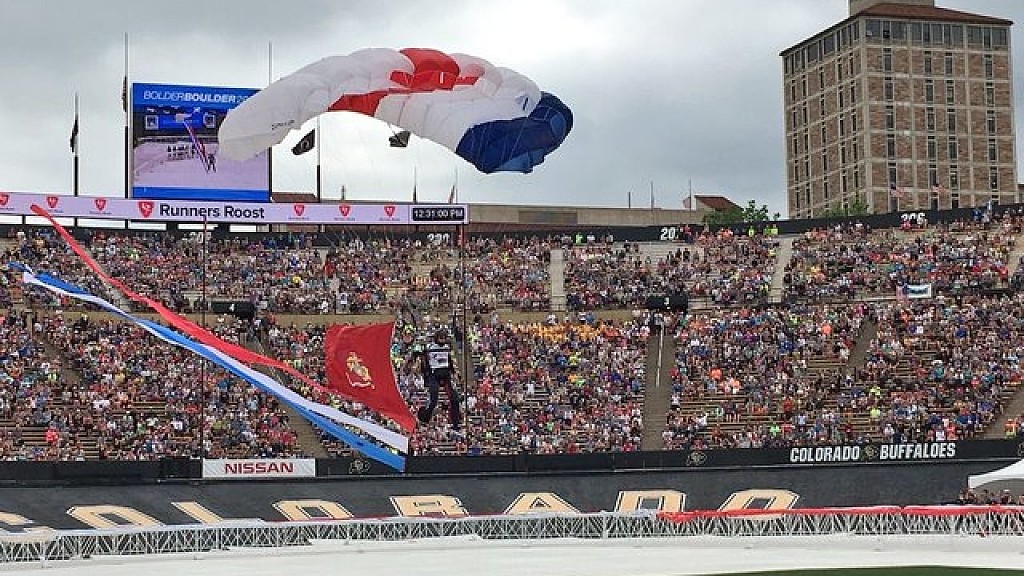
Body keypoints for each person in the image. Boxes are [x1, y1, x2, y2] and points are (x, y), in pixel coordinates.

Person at [414, 328, 462, 429]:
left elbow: (450, 362)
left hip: (446, 374)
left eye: (444, 338)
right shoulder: (430, 347)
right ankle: (425, 417)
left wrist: (454, 373)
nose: (442, 340)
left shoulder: (446, 348)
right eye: (441, 338)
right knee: (434, 399)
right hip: (434, 375)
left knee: (454, 398)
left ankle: (455, 422)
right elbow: (421, 357)